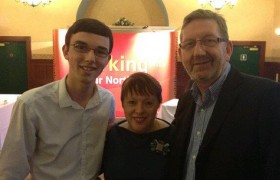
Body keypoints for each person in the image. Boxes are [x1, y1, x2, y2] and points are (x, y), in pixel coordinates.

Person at [168, 9, 280, 180]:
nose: (198, 52)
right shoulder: (186, 102)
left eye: (209, 41)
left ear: (228, 49)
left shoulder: (269, 98)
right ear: (180, 54)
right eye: (189, 44)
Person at [0, 18, 115, 179]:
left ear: (108, 59)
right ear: (66, 51)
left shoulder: (107, 101)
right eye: (81, 47)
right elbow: (11, 171)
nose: (90, 58)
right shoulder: (31, 104)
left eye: (100, 51)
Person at [101, 72, 175, 180]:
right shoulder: (113, 136)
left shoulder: (173, 136)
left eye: (148, 103)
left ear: (158, 104)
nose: (139, 110)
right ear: (123, 104)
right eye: (132, 102)